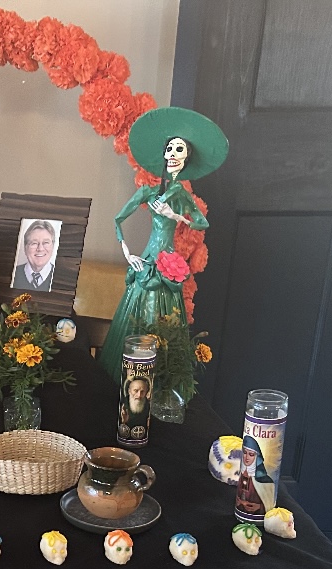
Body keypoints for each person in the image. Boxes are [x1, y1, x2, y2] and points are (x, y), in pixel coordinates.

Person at [99, 107, 228, 387]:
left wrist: (176, 216)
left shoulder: (181, 193)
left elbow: (202, 223)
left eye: (179, 149)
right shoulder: (147, 191)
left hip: (169, 264)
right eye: (169, 148)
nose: (172, 154)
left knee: (168, 320)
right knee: (134, 314)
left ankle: (162, 386)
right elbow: (117, 219)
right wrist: (127, 253)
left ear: (186, 157)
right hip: (146, 262)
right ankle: (124, 385)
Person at [235, 435, 276, 517]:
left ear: (257, 457)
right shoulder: (241, 474)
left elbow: (268, 504)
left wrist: (259, 507)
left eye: (251, 454)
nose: (246, 457)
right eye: (245, 453)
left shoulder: (265, 481)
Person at [12, 220, 57, 291]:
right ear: (25, 247)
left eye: (46, 243)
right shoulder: (13, 274)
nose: (40, 249)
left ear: (53, 246)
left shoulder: (62, 277)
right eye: (34, 243)